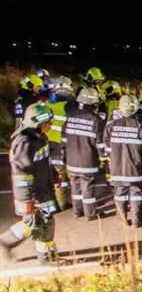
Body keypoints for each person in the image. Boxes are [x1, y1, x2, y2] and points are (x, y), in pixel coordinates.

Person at [0, 103, 63, 265]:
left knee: (42, 220)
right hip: (33, 192)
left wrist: (54, 176)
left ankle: (6, 242)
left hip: (43, 188)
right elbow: (21, 174)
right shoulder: (25, 143)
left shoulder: (40, 138)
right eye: (48, 122)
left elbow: (44, 162)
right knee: (39, 223)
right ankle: (45, 256)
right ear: (39, 123)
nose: (51, 126)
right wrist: (26, 200)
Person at [104, 95, 142, 228]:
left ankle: (123, 220)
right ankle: (136, 222)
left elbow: (106, 148)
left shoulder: (111, 126)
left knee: (120, 194)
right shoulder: (141, 126)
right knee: (136, 195)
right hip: (136, 169)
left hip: (117, 169)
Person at [63, 87, 105, 221]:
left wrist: (64, 155)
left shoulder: (70, 116)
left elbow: (63, 139)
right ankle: (90, 214)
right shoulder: (96, 120)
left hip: (71, 160)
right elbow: (99, 143)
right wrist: (103, 157)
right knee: (87, 187)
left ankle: (77, 211)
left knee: (75, 187)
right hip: (87, 161)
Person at [46, 76, 77, 210]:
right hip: (64, 143)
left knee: (54, 173)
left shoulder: (48, 103)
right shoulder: (70, 103)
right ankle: (63, 203)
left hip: (49, 142)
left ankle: (54, 201)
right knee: (65, 175)